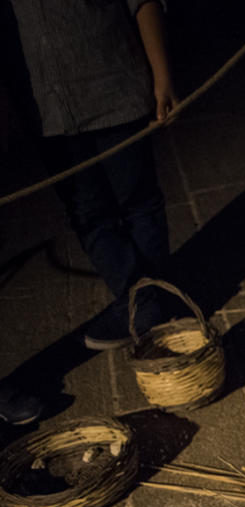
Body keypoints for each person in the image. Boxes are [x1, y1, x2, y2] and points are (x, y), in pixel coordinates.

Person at [5, 0, 178, 352]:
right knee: (88, 213)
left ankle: (146, 307)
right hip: (46, 109)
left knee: (139, 200)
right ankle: (145, 303)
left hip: (114, 83)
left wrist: (163, 74)